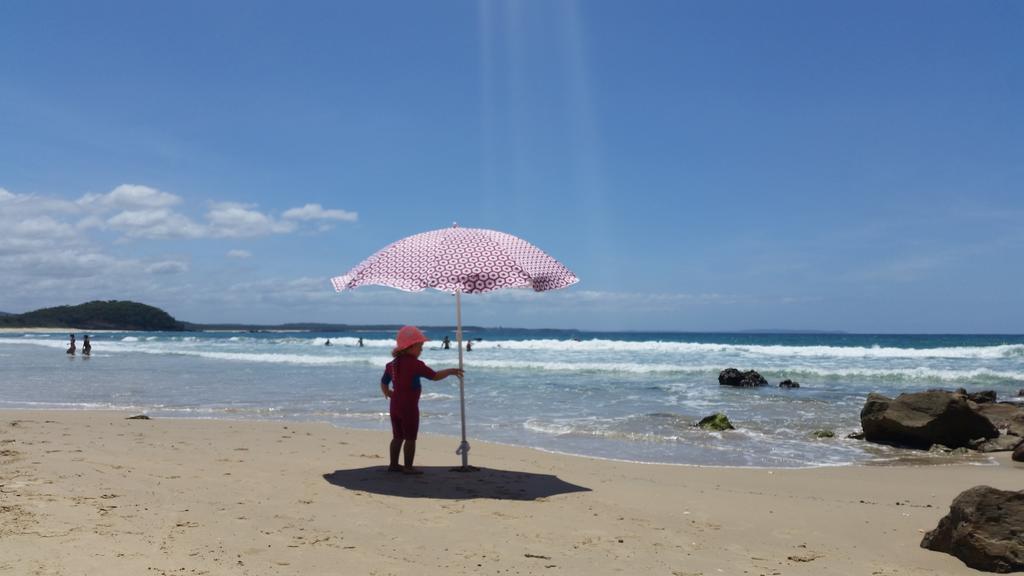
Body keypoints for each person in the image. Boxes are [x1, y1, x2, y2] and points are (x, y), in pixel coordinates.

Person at [380, 326, 462, 474]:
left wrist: (387, 393)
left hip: (395, 406)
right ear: (410, 347)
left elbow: (384, 382)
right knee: (410, 438)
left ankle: (393, 464)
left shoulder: (391, 365)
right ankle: (408, 467)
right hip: (409, 408)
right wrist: (450, 371)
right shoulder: (416, 365)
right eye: (420, 346)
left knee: (397, 437)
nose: (421, 350)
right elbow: (434, 376)